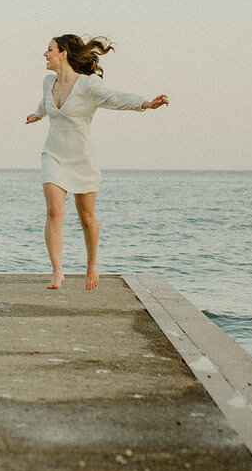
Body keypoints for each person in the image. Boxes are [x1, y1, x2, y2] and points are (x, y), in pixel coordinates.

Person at [25, 34, 168, 290]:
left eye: (49, 50)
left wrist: (145, 103)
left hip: (82, 159)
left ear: (63, 53)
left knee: (87, 218)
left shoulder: (88, 86)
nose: (44, 54)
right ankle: (57, 271)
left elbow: (115, 98)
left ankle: (91, 264)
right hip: (54, 155)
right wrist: (36, 115)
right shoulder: (48, 82)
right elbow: (45, 106)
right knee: (54, 211)